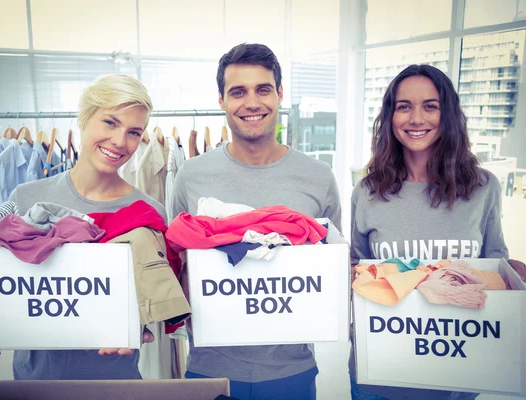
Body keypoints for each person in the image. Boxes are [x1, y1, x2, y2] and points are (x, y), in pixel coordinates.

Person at [171, 43, 342, 400]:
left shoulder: (318, 177)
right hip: (208, 369)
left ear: (280, 94)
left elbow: (332, 269)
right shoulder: (191, 175)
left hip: (291, 370)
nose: (252, 103)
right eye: (238, 92)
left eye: (263, 89)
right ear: (221, 100)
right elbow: (178, 264)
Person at [0, 74, 163, 380]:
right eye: (110, 123)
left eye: (133, 132)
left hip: (116, 383)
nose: (119, 141)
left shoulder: (151, 213)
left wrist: (141, 324)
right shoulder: (26, 198)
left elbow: (153, 294)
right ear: (84, 119)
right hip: (35, 383)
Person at [349, 64, 509, 400]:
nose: (416, 118)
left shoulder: (483, 187)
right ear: (390, 117)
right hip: (381, 373)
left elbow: (496, 264)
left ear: (447, 114)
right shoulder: (367, 191)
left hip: (458, 375)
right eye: (404, 106)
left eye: (430, 106)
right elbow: (357, 271)